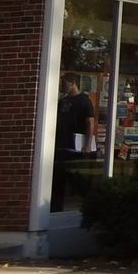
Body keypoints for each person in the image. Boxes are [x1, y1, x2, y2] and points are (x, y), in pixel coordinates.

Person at [52, 76, 98, 210]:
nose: (62, 85)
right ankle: (55, 208)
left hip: (75, 146)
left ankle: (91, 202)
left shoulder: (84, 101)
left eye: (64, 83)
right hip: (61, 144)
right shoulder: (63, 101)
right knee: (57, 178)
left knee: (75, 176)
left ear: (73, 83)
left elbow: (90, 122)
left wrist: (88, 143)